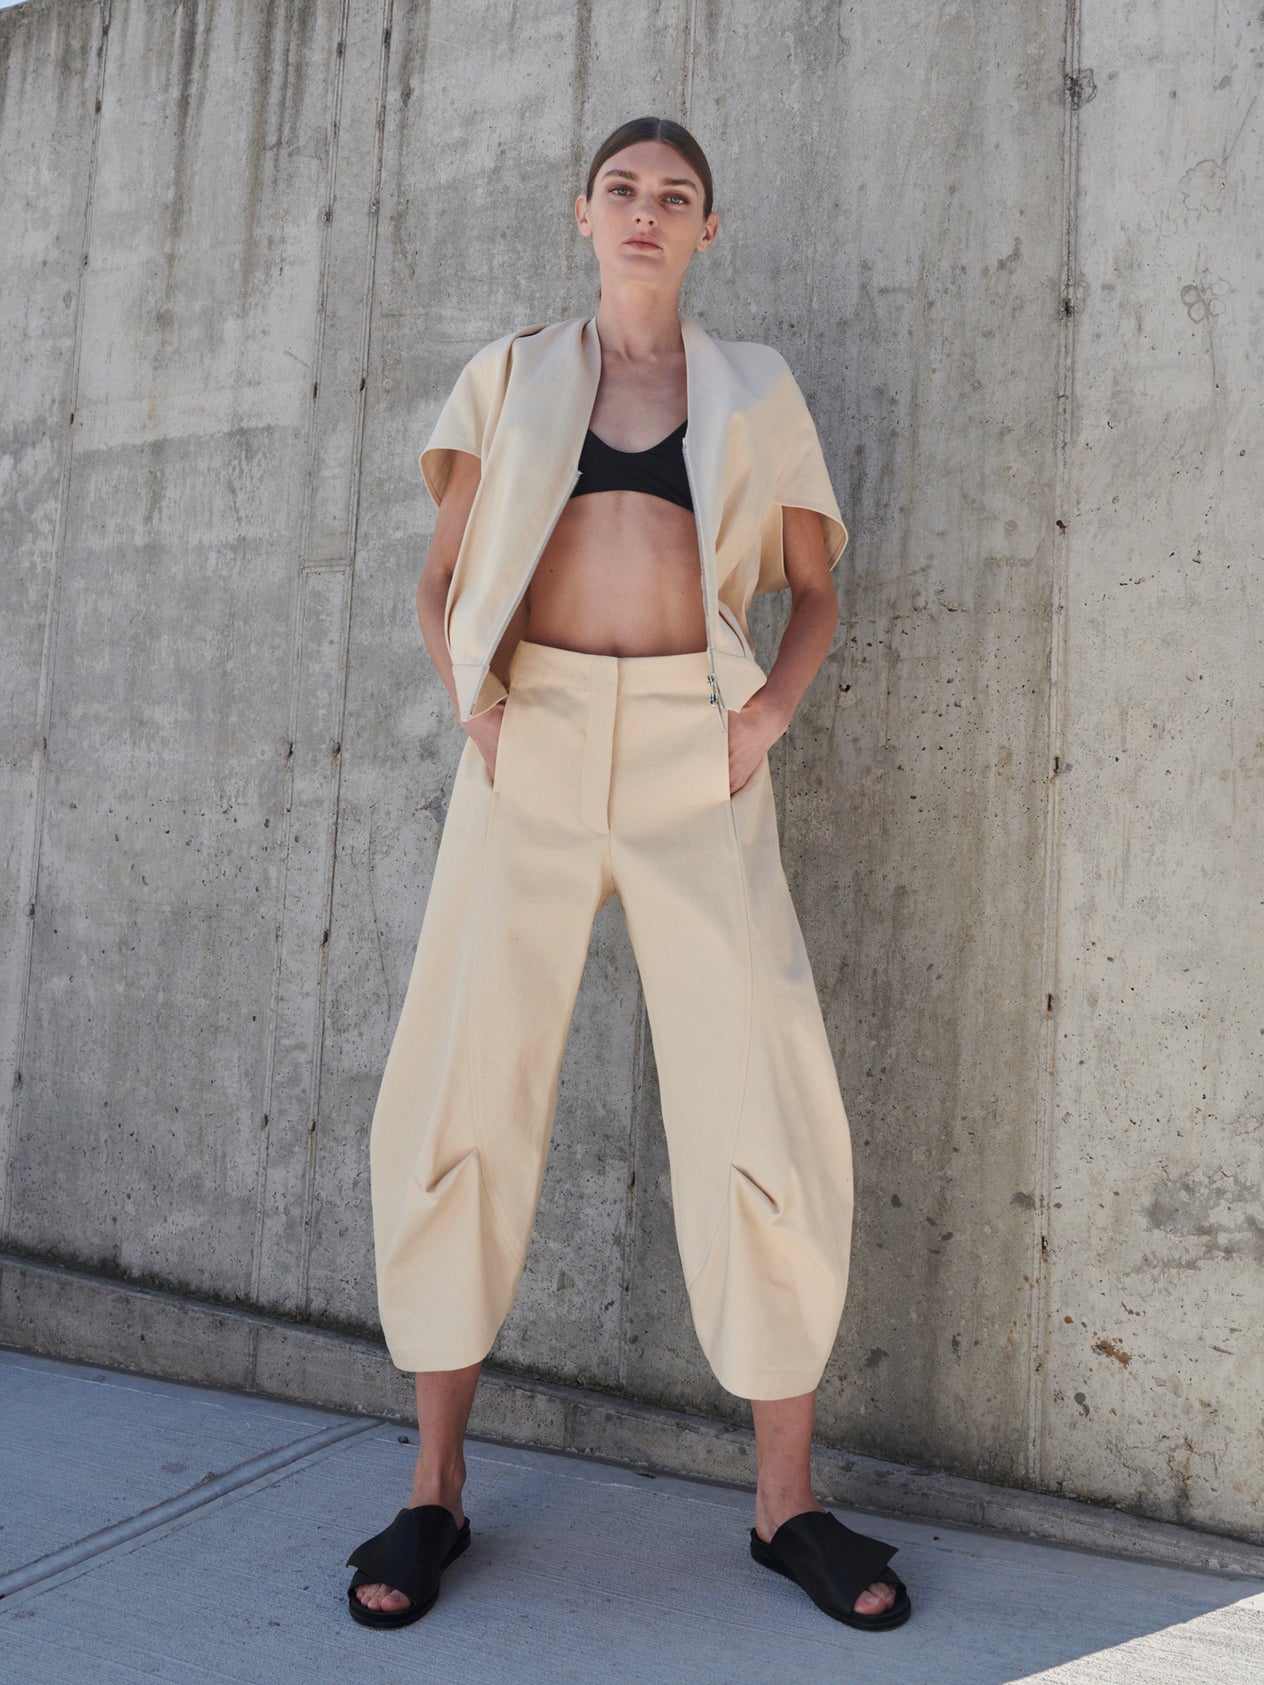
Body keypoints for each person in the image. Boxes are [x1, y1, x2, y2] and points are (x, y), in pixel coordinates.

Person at [345, 116, 912, 1635]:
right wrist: (471, 700)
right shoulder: (514, 373)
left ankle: (784, 1501)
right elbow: (442, 573)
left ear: (708, 230)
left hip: (691, 747)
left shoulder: (753, 389)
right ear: (580, 215)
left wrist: (765, 718)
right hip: (526, 744)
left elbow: (812, 584)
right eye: (623, 190)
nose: (647, 211)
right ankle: (434, 1483)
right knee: (461, 1089)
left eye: (676, 196)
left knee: (763, 1097)